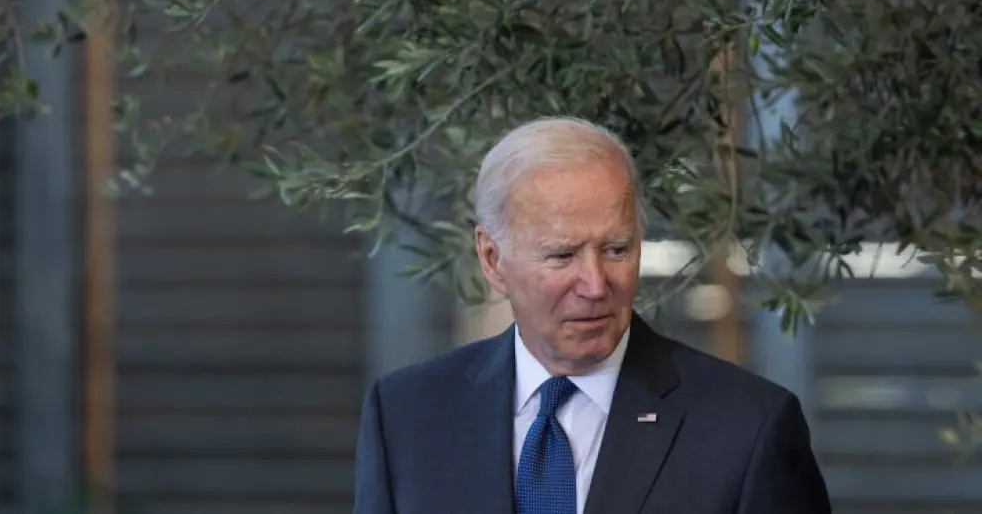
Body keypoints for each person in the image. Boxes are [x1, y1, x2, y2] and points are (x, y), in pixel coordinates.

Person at [353, 116, 832, 514]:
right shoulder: (406, 417)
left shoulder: (748, 429)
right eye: (562, 256)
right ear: (492, 259)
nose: (596, 285)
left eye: (617, 249)